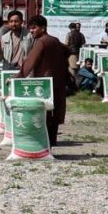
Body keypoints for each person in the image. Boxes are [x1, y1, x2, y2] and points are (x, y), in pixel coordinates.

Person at [20, 15, 69, 146]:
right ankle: (52, 142)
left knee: (44, 113)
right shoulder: (54, 40)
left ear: (43, 28)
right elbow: (68, 51)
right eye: (30, 28)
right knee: (54, 112)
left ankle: (44, 145)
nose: (31, 31)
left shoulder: (41, 42)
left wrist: (18, 77)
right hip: (57, 82)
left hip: (43, 84)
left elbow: (29, 63)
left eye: (34, 28)